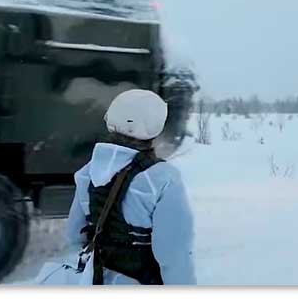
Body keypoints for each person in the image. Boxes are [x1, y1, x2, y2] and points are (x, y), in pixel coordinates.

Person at [37, 89, 196, 285]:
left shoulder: (88, 171)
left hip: (95, 279)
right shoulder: (163, 178)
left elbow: (74, 235)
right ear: (155, 126)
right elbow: (173, 256)